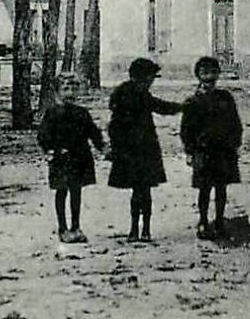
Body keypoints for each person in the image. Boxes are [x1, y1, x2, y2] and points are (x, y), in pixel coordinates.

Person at [107, 57, 185, 242]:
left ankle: (138, 230)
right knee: (143, 191)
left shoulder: (129, 93)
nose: (151, 83)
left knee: (140, 190)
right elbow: (161, 107)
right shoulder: (134, 94)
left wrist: (181, 107)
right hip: (139, 150)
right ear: (141, 78)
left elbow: (160, 106)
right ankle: (141, 230)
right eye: (150, 78)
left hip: (137, 150)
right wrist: (182, 107)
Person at [181, 56, 250, 243]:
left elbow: (235, 123)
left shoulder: (225, 98)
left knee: (221, 188)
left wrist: (235, 144)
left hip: (223, 151)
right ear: (198, 76)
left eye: (212, 73)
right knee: (204, 189)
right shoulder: (192, 102)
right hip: (203, 152)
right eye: (204, 73)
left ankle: (220, 221)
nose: (209, 77)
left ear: (217, 75)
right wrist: (189, 152)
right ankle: (204, 220)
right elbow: (186, 130)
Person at [37, 79, 104, 243]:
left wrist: (102, 147)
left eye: (74, 88)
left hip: (79, 157)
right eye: (65, 88)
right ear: (58, 92)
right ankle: (62, 228)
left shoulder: (82, 112)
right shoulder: (52, 113)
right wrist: (50, 149)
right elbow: (43, 135)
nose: (70, 92)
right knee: (61, 190)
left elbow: (92, 132)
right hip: (61, 158)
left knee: (76, 191)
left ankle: (76, 226)